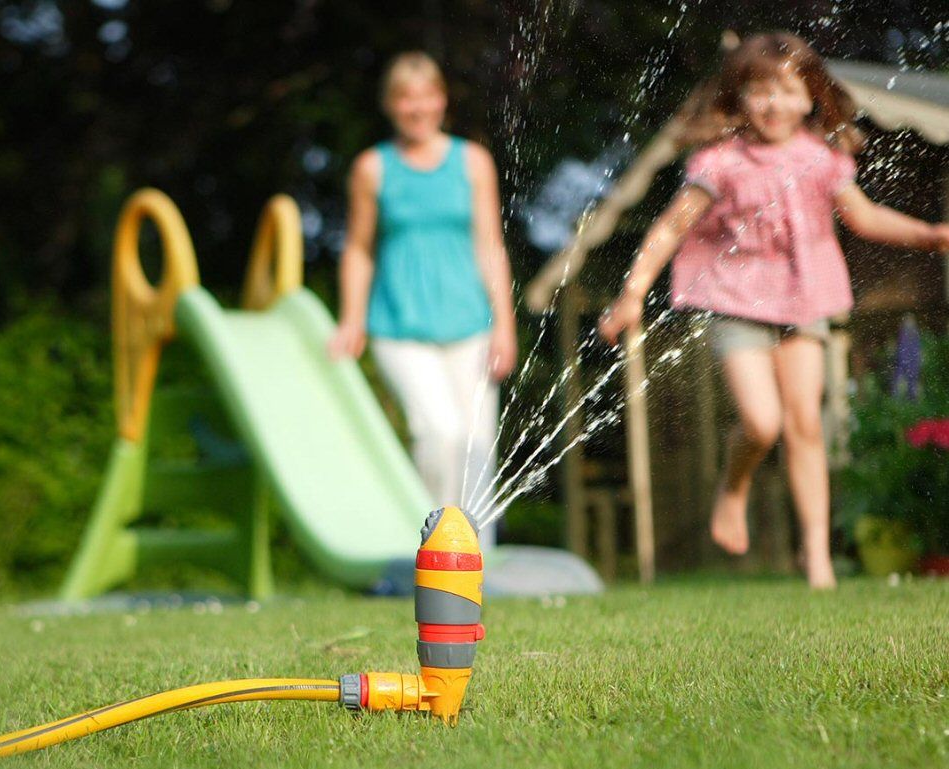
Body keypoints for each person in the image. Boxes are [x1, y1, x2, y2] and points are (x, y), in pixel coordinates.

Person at [598, 32, 949, 588]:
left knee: (805, 423)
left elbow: (863, 217)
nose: (773, 104)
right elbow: (670, 227)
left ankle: (817, 559)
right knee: (763, 421)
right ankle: (733, 486)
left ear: (811, 97)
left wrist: (929, 235)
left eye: (787, 90)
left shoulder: (821, 158)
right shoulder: (721, 161)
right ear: (737, 97)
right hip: (735, 299)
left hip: (804, 296)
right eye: (759, 90)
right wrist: (632, 293)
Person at [329, 52, 517, 543]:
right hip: (399, 327)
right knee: (438, 434)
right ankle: (435, 548)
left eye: (426, 96)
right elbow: (358, 249)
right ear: (390, 104)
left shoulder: (472, 162)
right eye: (405, 98)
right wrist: (351, 319)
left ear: (441, 100)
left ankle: (475, 560)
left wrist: (504, 325)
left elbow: (490, 246)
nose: (417, 108)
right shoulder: (372, 168)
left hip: (471, 325)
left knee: (476, 446)